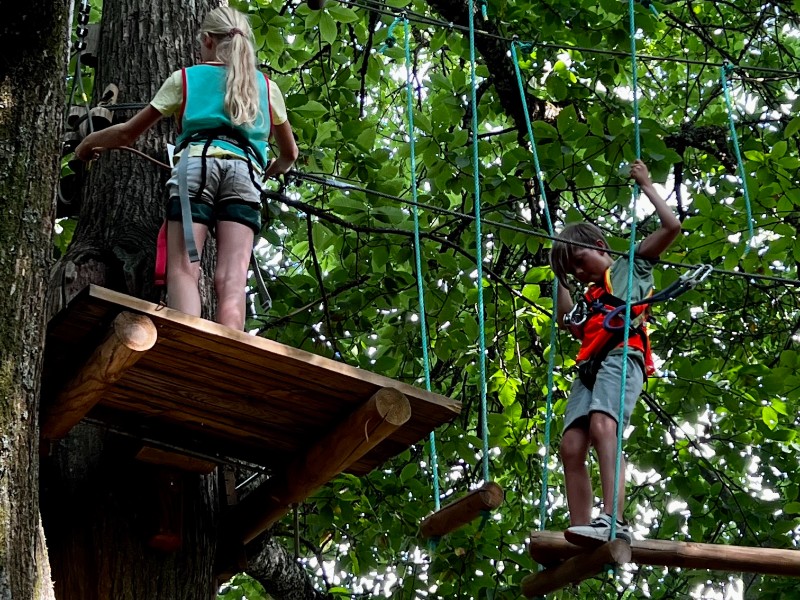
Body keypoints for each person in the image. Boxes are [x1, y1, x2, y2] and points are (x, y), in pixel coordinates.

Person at [75, 7, 298, 330]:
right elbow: (290, 153)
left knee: (184, 268)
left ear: (207, 40)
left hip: (195, 166)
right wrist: (273, 167)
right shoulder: (266, 87)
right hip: (246, 174)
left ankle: (186, 342)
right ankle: (228, 358)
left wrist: (87, 144)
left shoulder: (185, 79)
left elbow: (126, 133)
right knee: (233, 278)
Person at [550, 159, 681, 546]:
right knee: (570, 444)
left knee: (604, 426)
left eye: (579, 262)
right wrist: (559, 276)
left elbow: (671, 227)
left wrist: (645, 185)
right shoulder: (588, 299)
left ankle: (613, 518)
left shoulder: (631, 266)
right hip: (591, 367)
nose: (578, 272)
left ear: (599, 246)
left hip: (623, 354)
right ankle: (581, 530)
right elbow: (564, 320)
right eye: (571, 272)